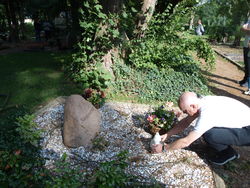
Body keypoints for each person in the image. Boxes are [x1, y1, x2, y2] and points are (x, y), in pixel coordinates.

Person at [160, 92, 250, 165]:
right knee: (208, 131)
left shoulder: (207, 114)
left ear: (193, 106)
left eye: (185, 111)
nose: (185, 113)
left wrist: (165, 148)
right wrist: (168, 134)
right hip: (245, 122)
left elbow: (186, 141)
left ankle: (228, 153)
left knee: (210, 135)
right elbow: (186, 122)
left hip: (247, 131)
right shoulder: (202, 101)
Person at [240, 19, 250, 95]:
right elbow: (242, 28)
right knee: (247, 65)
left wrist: (246, 30)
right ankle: (246, 81)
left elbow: (245, 29)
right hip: (247, 44)